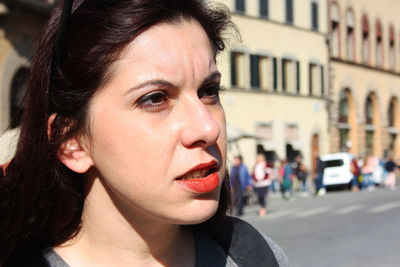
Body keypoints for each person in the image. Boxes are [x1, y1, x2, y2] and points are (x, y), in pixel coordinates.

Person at [0, 0, 289, 266]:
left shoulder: (254, 255)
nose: (208, 128)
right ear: (71, 142)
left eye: (208, 91)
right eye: (155, 98)